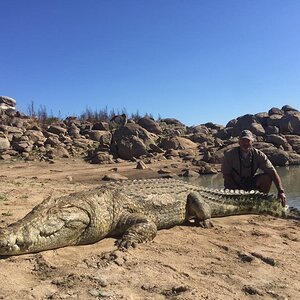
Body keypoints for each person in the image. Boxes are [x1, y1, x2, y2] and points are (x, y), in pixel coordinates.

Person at [221, 130, 286, 206]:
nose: (245, 143)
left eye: (248, 141)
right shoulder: (230, 155)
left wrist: (281, 191)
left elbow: (272, 172)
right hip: (233, 185)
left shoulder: (258, 155)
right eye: (243, 140)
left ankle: (261, 202)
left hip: (249, 182)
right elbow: (226, 175)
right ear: (239, 142)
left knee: (267, 177)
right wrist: (238, 191)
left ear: (252, 142)